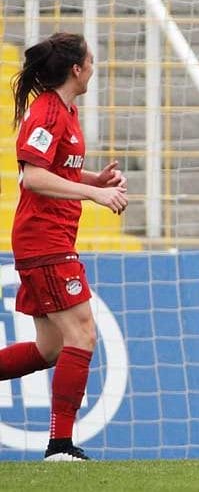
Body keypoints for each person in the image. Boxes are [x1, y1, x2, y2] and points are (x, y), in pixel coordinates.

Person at [1, 32, 129, 461]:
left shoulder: (67, 112)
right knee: (83, 333)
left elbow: (56, 170)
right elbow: (32, 177)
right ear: (76, 69)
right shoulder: (47, 112)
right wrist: (92, 196)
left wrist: (94, 180)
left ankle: (59, 444)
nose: (94, 67)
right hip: (45, 240)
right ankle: (59, 446)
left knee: (50, 349)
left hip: (50, 239)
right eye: (91, 60)